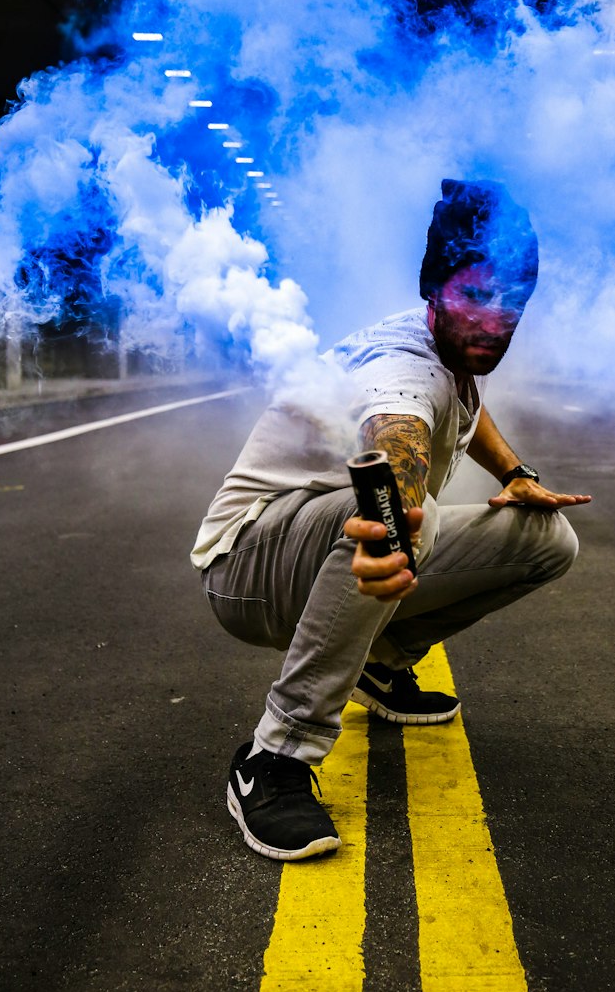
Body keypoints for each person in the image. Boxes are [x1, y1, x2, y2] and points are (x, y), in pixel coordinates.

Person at [191, 179, 591, 861]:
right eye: (476, 296)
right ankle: (274, 758)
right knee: (418, 515)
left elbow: (469, 407)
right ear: (433, 289)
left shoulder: (454, 346)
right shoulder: (402, 366)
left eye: (512, 301)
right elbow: (398, 430)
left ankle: (381, 661)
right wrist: (393, 530)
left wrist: (516, 474)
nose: (495, 320)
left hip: (323, 550)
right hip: (246, 567)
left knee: (548, 539)